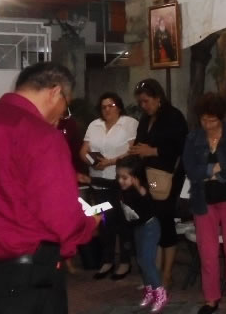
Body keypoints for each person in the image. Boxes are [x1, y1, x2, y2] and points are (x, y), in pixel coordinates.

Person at [0, 62, 101, 314]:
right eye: (66, 106)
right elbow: (61, 218)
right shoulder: (42, 136)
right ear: (55, 92)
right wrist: (89, 224)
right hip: (29, 278)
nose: (62, 114)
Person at [182, 93, 226, 314]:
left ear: (221, 117)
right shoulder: (193, 138)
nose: (207, 124)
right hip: (203, 201)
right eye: (204, 119)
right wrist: (215, 168)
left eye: (212, 120)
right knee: (208, 254)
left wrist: (216, 175)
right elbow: (190, 169)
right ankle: (211, 298)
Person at [130, 79, 188, 287]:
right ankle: (153, 273)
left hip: (167, 177)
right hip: (148, 176)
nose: (143, 106)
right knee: (150, 221)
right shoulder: (146, 118)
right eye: (140, 102)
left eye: (146, 101)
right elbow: (140, 142)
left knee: (164, 220)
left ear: (158, 98)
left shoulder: (173, 116)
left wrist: (153, 150)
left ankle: (166, 274)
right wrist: (137, 150)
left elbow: (182, 147)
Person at [79, 92, 138, 280]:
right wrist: (93, 162)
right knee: (105, 222)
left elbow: (133, 150)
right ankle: (107, 260)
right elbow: (84, 151)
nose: (107, 110)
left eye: (111, 105)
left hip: (120, 180)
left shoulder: (128, 123)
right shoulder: (94, 125)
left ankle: (125, 262)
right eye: (103, 107)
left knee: (123, 221)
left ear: (118, 106)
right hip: (98, 180)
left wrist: (111, 161)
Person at [116, 156, 168, 313]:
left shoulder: (143, 189)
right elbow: (108, 185)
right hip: (138, 228)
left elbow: (149, 201)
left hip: (150, 227)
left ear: (135, 177)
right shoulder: (123, 188)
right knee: (141, 261)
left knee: (147, 261)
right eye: (119, 177)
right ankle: (150, 291)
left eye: (124, 178)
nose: (120, 181)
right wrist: (90, 179)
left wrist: (142, 189)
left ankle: (160, 293)